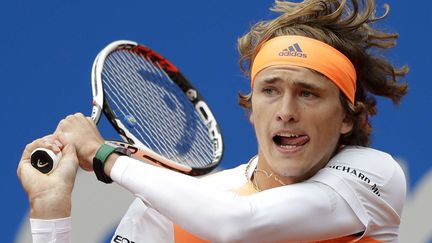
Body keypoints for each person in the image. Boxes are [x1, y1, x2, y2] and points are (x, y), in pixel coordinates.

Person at [17, 0, 409, 242]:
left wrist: (104, 155)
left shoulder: (372, 176)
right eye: (270, 90)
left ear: (346, 118)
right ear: (251, 107)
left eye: (308, 93)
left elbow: (237, 224)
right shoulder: (169, 209)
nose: (287, 110)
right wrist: (50, 210)